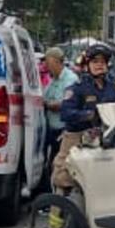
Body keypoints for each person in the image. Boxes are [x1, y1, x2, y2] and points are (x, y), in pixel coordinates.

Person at [50, 44, 115, 228]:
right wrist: (88, 115)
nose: (100, 65)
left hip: (106, 141)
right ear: (87, 65)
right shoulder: (77, 88)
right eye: (95, 61)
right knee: (63, 181)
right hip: (76, 140)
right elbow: (66, 113)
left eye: (103, 62)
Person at [42, 47, 78, 182]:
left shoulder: (70, 79)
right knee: (51, 163)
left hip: (64, 130)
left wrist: (48, 104)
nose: (47, 67)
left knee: (60, 165)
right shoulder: (53, 80)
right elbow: (45, 97)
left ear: (58, 62)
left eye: (49, 64)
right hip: (51, 129)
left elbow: (65, 105)